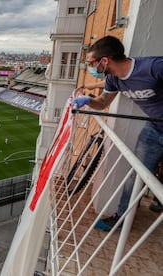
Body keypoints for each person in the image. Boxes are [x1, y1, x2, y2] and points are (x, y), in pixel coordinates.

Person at [72, 35, 163, 231]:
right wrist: (88, 100)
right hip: (154, 130)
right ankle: (122, 219)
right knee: (136, 175)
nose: (90, 67)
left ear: (105, 61)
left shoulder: (154, 67)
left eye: (91, 63)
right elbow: (104, 102)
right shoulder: (113, 79)